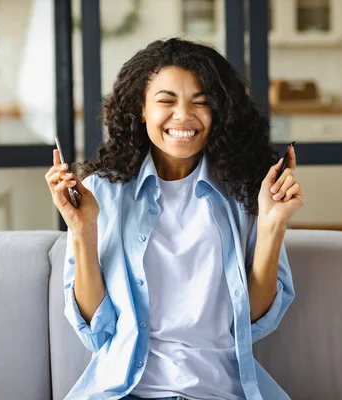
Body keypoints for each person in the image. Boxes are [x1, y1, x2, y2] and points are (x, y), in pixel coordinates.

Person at [45, 38, 304, 400]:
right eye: (166, 101)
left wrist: (273, 224)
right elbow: (96, 329)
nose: (183, 115)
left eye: (201, 102)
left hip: (218, 392)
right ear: (141, 109)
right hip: (127, 393)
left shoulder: (247, 193)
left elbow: (254, 322)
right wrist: (83, 230)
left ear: (220, 112)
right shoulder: (101, 192)